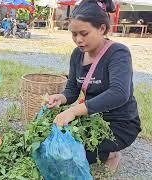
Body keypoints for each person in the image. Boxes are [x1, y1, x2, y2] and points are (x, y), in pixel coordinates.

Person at [46, 0, 140, 172]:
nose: (78, 40)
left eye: (84, 33)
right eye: (74, 34)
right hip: (92, 118)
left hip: (120, 124)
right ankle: (104, 151)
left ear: (102, 29)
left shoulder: (118, 53)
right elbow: (72, 90)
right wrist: (61, 98)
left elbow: (119, 93)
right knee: (54, 146)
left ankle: (112, 153)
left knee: (76, 155)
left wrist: (73, 111)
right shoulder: (77, 55)